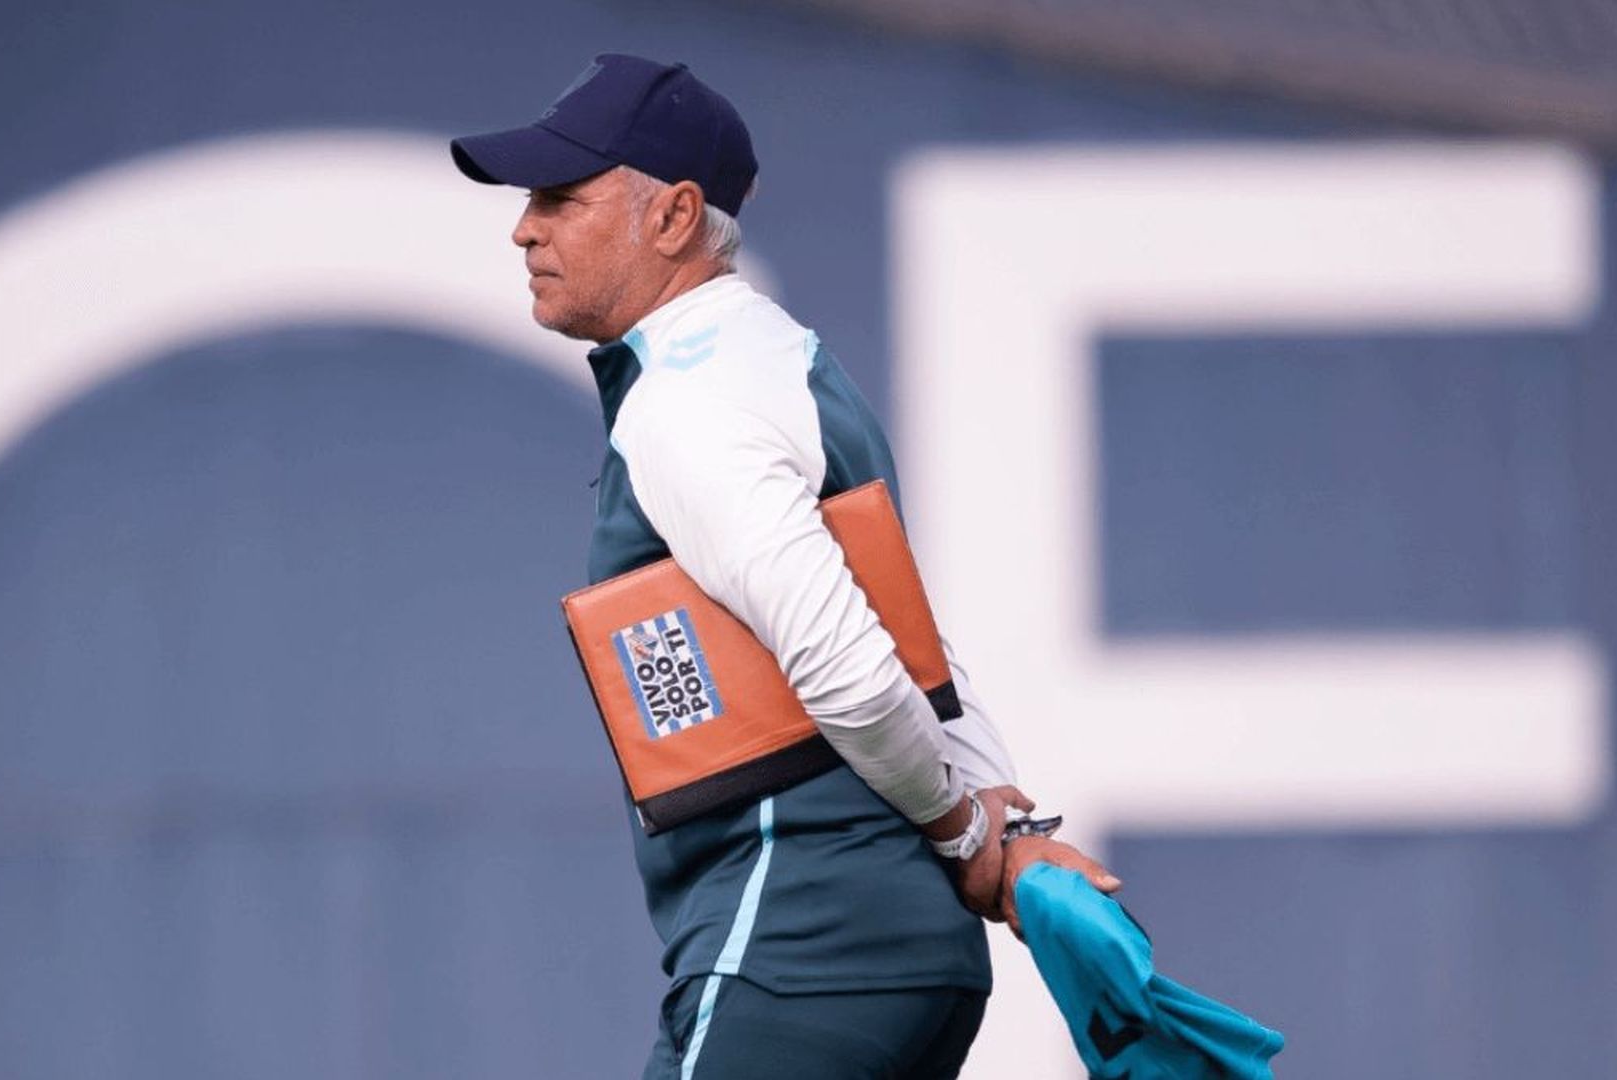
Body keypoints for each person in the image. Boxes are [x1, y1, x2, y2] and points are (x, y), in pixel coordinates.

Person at [451, 53, 1117, 1079]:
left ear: (672, 217)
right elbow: (913, 648)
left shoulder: (689, 406)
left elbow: (849, 665)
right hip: (880, 958)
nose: (524, 226)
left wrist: (963, 832)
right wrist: (1002, 825)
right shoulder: (773, 360)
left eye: (561, 197)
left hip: (801, 941)